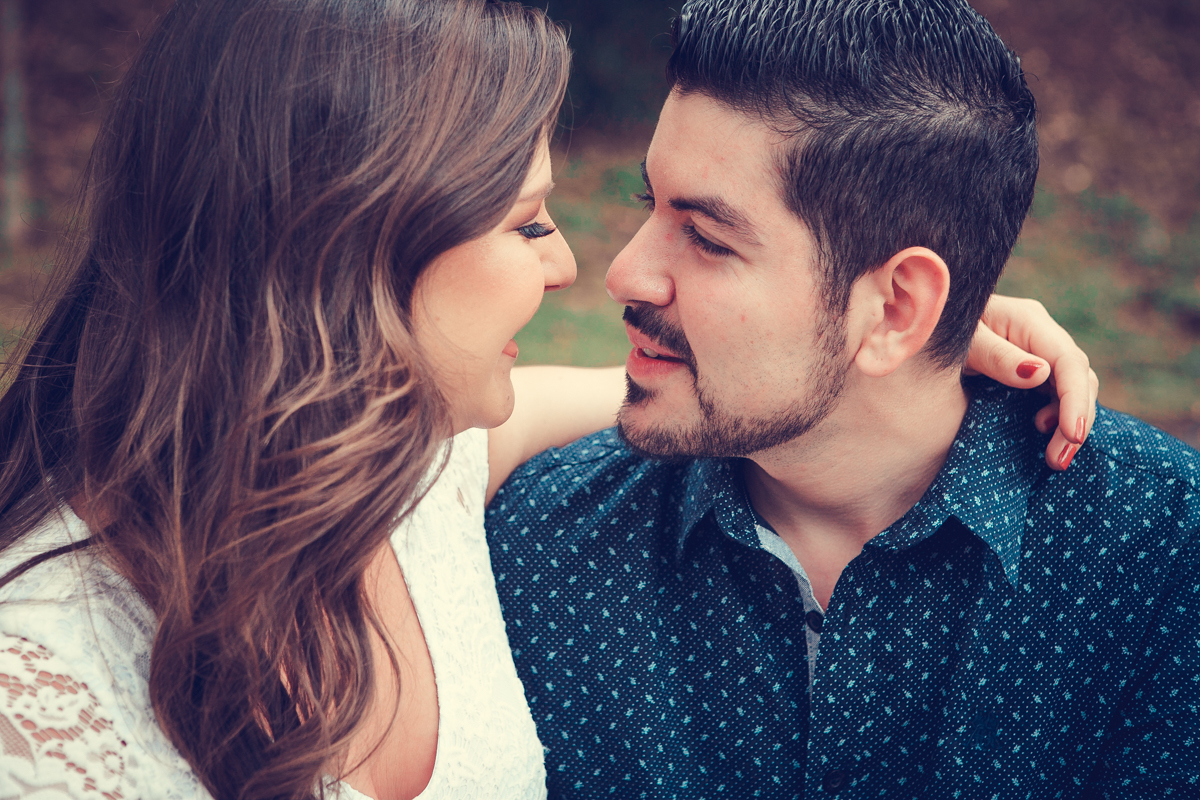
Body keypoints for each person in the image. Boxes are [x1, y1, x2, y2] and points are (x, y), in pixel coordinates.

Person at [0, 0, 1097, 799]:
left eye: (705, 233)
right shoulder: (36, 679)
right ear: (344, 252)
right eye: (527, 222)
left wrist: (897, 324)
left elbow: (624, 394)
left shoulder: (405, 462)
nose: (583, 266)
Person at [485, 0, 1200, 798]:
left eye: (709, 239)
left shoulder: (1161, 561)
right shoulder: (540, 545)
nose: (623, 273)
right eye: (647, 204)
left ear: (897, 307)